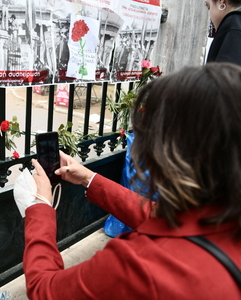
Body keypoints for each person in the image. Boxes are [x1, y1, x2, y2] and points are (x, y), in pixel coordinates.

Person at [22, 63, 241, 299]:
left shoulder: (143, 265)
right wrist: (89, 179)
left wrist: (40, 208)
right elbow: (158, 215)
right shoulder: (221, 216)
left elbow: (45, 290)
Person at [205, 0, 241, 65]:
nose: (210, 17)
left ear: (222, 2)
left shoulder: (234, 25)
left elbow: (227, 74)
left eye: (208, 6)